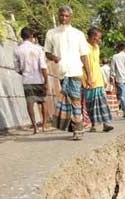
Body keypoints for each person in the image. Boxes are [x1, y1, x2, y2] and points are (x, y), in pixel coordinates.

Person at [44, 5, 92, 140]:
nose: (63, 18)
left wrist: (89, 75)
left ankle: (78, 129)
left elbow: (84, 56)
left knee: (76, 99)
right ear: (58, 15)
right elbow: (47, 52)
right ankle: (75, 125)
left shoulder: (78, 34)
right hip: (62, 72)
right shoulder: (51, 33)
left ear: (71, 17)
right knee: (67, 100)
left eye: (66, 16)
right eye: (61, 15)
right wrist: (53, 57)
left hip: (76, 70)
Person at [14, 27, 48, 134]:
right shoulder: (38, 49)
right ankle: (44, 125)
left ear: (22, 36)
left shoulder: (17, 50)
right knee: (42, 102)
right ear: (32, 36)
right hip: (39, 79)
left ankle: (35, 127)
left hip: (27, 80)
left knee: (30, 103)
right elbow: (43, 66)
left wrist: (24, 73)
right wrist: (46, 81)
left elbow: (17, 68)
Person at [82, 27, 114, 132]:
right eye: (98, 38)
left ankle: (106, 123)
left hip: (98, 79)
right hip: (88, 79)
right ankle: (94, 125)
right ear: (92, 36)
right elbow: (85, 63)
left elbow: (96, 64)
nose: (99, 40)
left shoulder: (96, 47)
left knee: (102, 103)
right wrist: (89, 77)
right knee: (91, 104)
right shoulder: (84, 47)